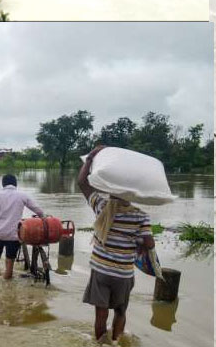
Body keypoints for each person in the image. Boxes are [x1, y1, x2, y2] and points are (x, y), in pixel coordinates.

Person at [77, 145, 154, 343]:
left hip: (101, 271)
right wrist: (137, 242)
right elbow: (149, 243)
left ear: (111, 189)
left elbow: (82, 183)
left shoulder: (102, 207)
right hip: (123, 274)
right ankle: (117, 340)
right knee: (121, 312)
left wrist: (90, 160)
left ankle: (101, 343)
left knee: (100, 315)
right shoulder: (140, 216)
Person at [0, 173, 45, 281]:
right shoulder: (22, 195)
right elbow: (38, 210)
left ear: (3, 184)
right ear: (15, 183)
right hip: (13, 235)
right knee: (9, 263)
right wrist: (44, 217)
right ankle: (7, 288)